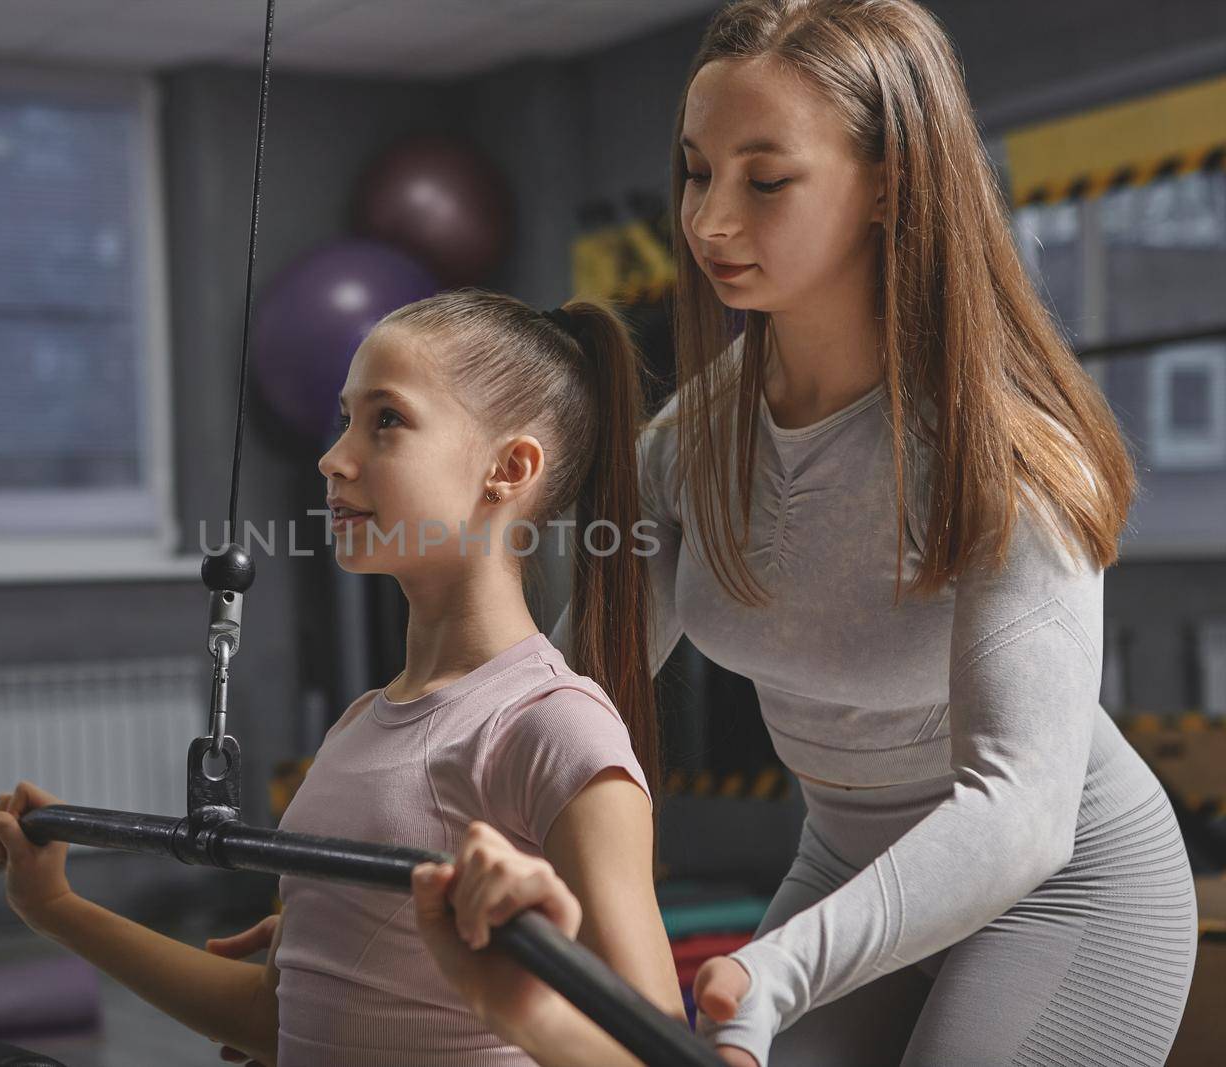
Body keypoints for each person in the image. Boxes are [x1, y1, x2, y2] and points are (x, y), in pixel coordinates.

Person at [415, 1, 1198, 1064]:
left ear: (889, 183)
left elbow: (1020, 810)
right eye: (696, 173)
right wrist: (379, 891)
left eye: (765, 179)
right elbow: (562, 703)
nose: (710, 222)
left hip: (1062, 892)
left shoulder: (1007, 461)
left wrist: (778, 966)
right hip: (842, 867)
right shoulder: (688, 442)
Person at [0, 290, 685, 1065]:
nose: (333, 455)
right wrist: (56, 907)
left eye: (386, 419)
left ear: (508, 467)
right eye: (346, 416)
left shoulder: (553, 725)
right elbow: (273, 1017)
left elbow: (657, 1051)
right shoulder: (360, 724)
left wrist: (516, 1008)